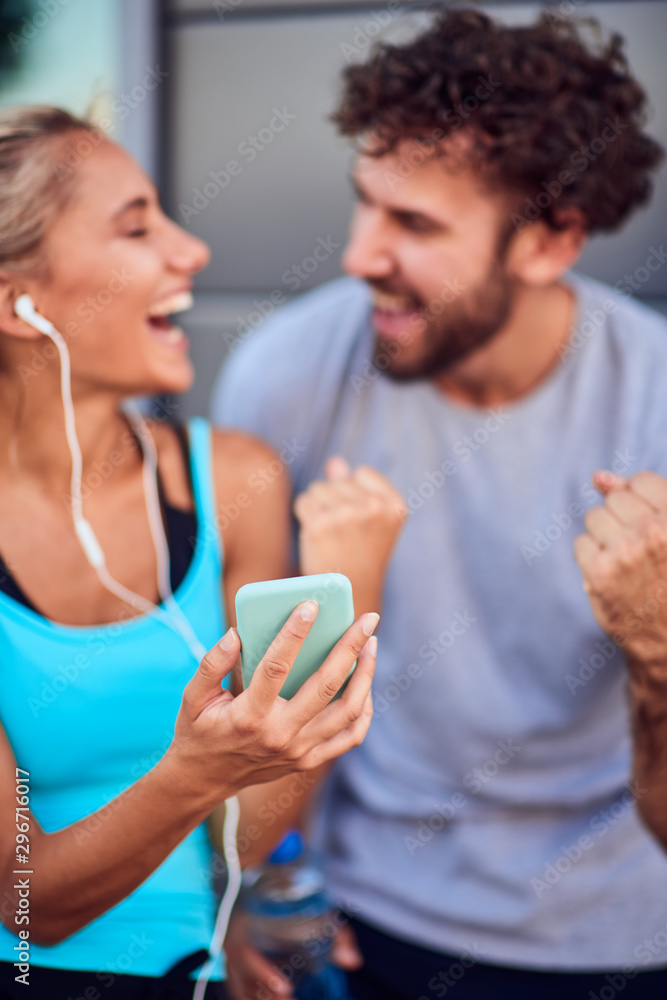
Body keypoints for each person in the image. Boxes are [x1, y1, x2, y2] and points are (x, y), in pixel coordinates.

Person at [213, 9, 667, 999]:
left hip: (616, 940)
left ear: (550, 242)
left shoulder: (654, 398)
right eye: (364, 204)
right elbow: (243, 694)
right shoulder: (288, 373)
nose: (358, 255)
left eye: (413, 225)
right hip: (359, 920)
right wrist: (242, 895)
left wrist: (658, 645)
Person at [0, 105, 406, 1000]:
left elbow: (247, 833)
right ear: (19, 304)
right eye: (138, 228)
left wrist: (355, 591)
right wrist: (195, 772)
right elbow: (25, 908)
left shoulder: (233, 480)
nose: (192, 253)